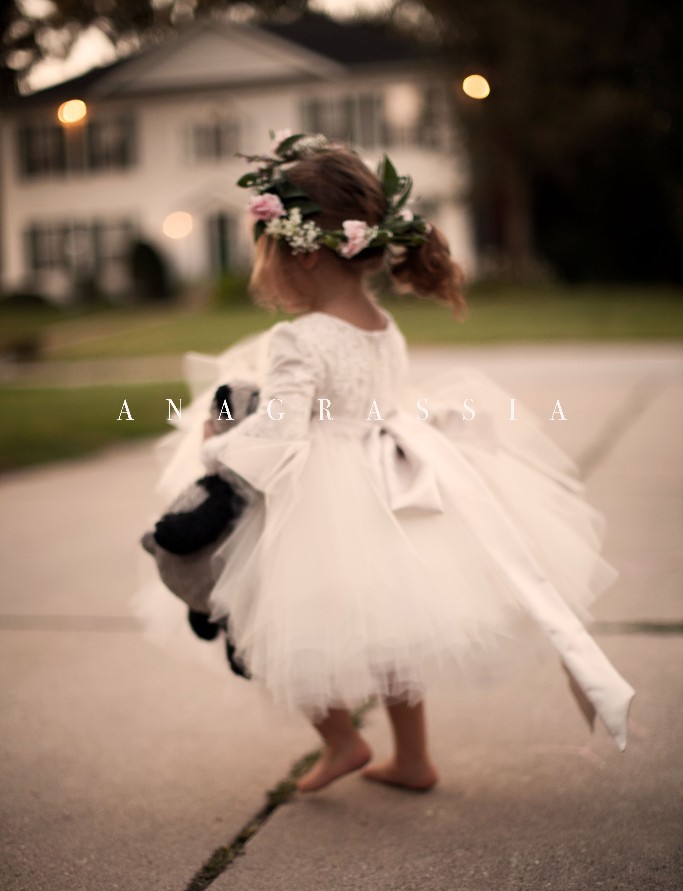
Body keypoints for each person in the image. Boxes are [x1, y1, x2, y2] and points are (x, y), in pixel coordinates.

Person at [151, 133, 634, 795]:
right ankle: (412, 757)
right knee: (392, 629)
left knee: (273, 619)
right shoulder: (381, 322)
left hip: (314, 495)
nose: (264, 275)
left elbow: (283, 431)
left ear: (303, 258)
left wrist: (216, 440)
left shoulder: (300, 337)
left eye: (266, 256)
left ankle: (342, 739)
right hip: (386, 484)